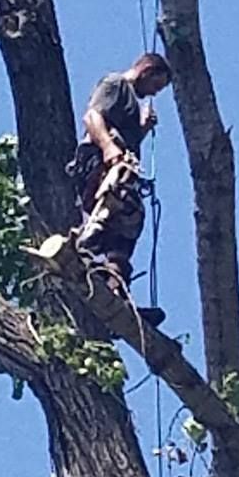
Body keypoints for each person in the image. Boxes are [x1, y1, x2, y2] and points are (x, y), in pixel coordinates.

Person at [68, 52, 171, 306]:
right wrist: (107, 147)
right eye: (156, 85)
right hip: (98, 162)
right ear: (146, 71)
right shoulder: (116, 84)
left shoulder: (132, 106)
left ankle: (115, 283)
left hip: (117, 166)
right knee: (116, 202)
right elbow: (92, 117)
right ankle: (84, 249)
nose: (154, 93)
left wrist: (142, 129)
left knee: (130, 222)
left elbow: (127, 142)